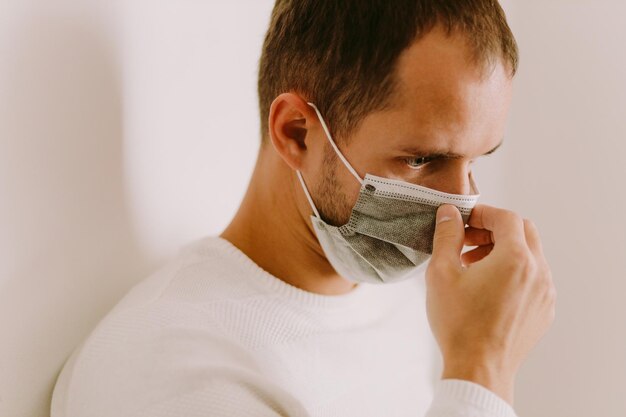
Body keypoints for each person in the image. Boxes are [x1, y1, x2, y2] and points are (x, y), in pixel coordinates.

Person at [51, 1, 556, 416]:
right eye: (422, 159)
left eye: (476, 161)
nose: (459, 206)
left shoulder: (412, 304)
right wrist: (481, 369)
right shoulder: (172, 373)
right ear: (297, 132)